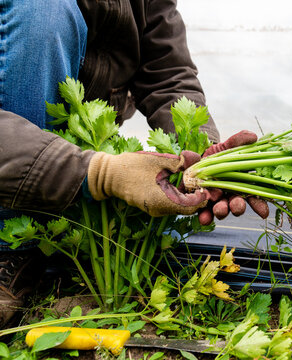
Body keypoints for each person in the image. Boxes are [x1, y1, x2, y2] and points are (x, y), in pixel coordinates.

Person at [0, 0, 265, 327]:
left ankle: (46, 217)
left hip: (63, 154)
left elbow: (166, 71)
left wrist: (204, 156)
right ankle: (8, 248)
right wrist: (99, 173)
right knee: (41, 10)